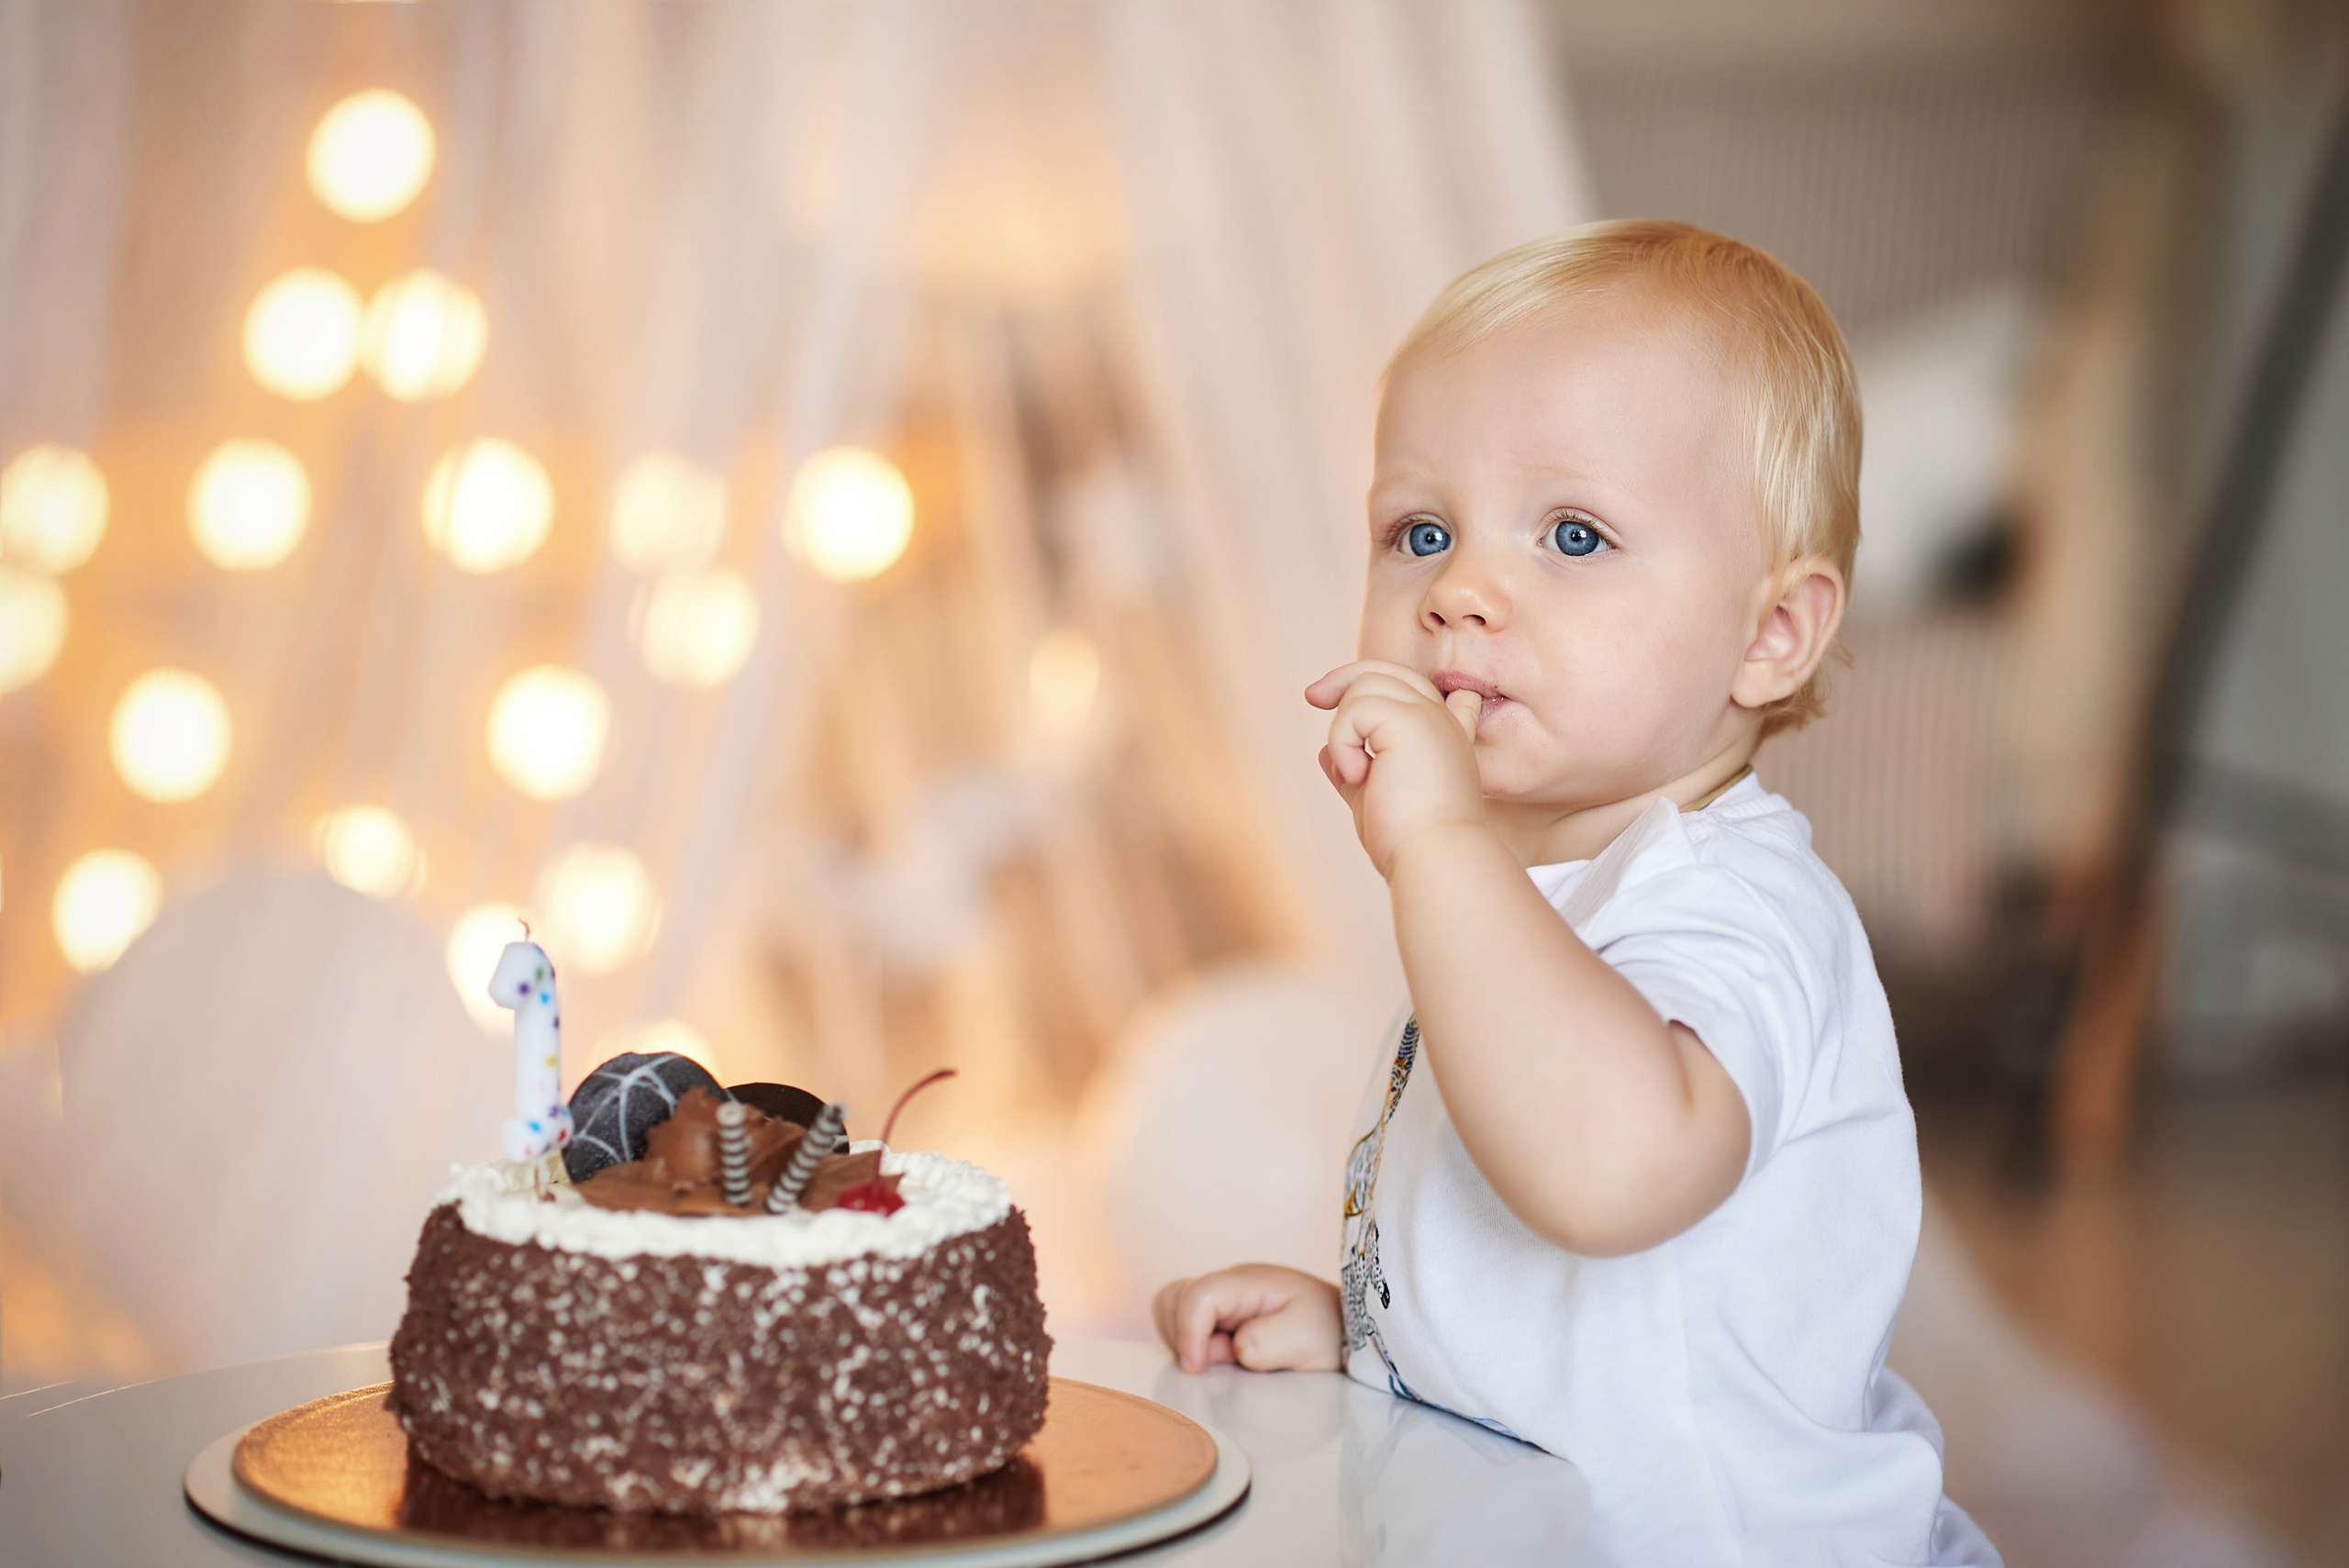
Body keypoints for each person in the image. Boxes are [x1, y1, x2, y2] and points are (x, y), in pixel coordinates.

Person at [1152, 220, 1998, 1564]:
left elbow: (1609, 1172)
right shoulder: (1525, 896)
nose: (1459, 589)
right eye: (1419, 530)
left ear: (1771, 635)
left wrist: (1438, 846)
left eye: (1576, 534)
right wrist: (1378, 1342)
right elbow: (1543, 1270)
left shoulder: (1742, 903)